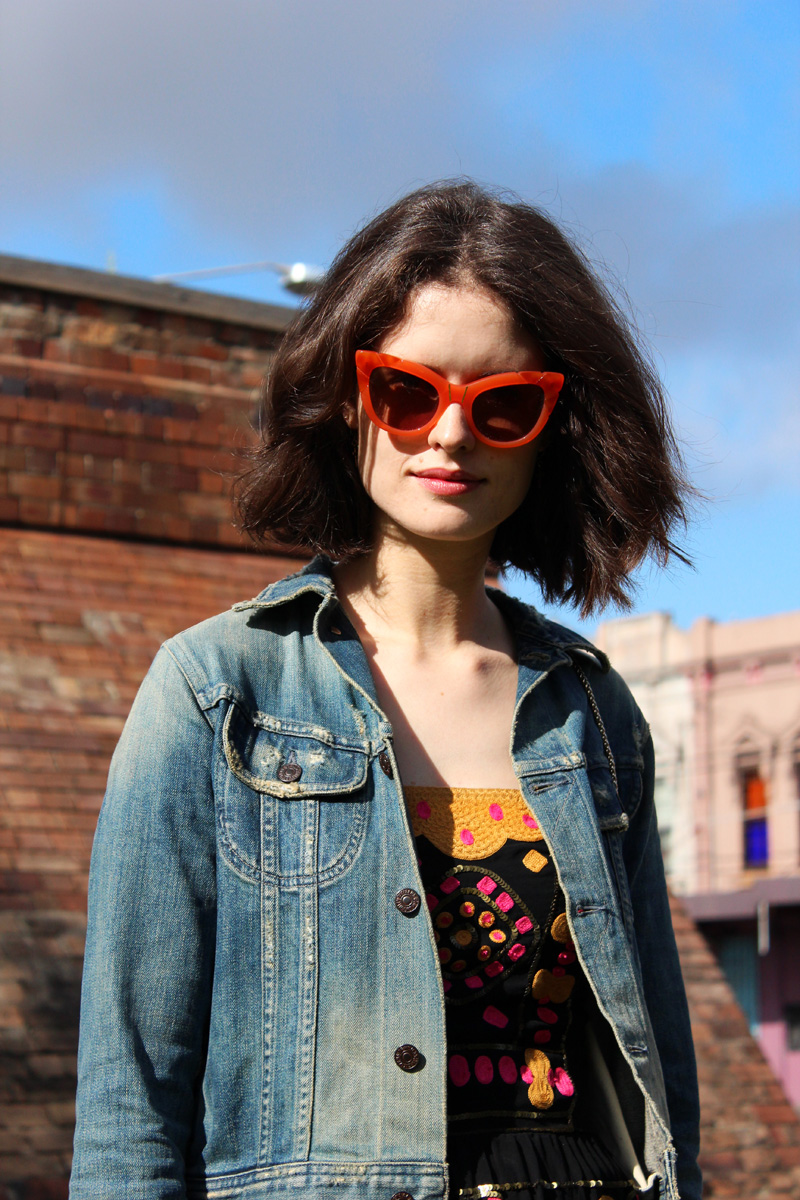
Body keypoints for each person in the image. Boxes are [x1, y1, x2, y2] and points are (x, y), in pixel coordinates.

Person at [71, 181, 701, 1200]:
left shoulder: (592, 710)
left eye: (499, 404)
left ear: (552, 428)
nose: (448, 436)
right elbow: (129, 1103)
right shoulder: (218, 690)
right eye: (407, 393)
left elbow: (660, 1074)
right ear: (346, 396)